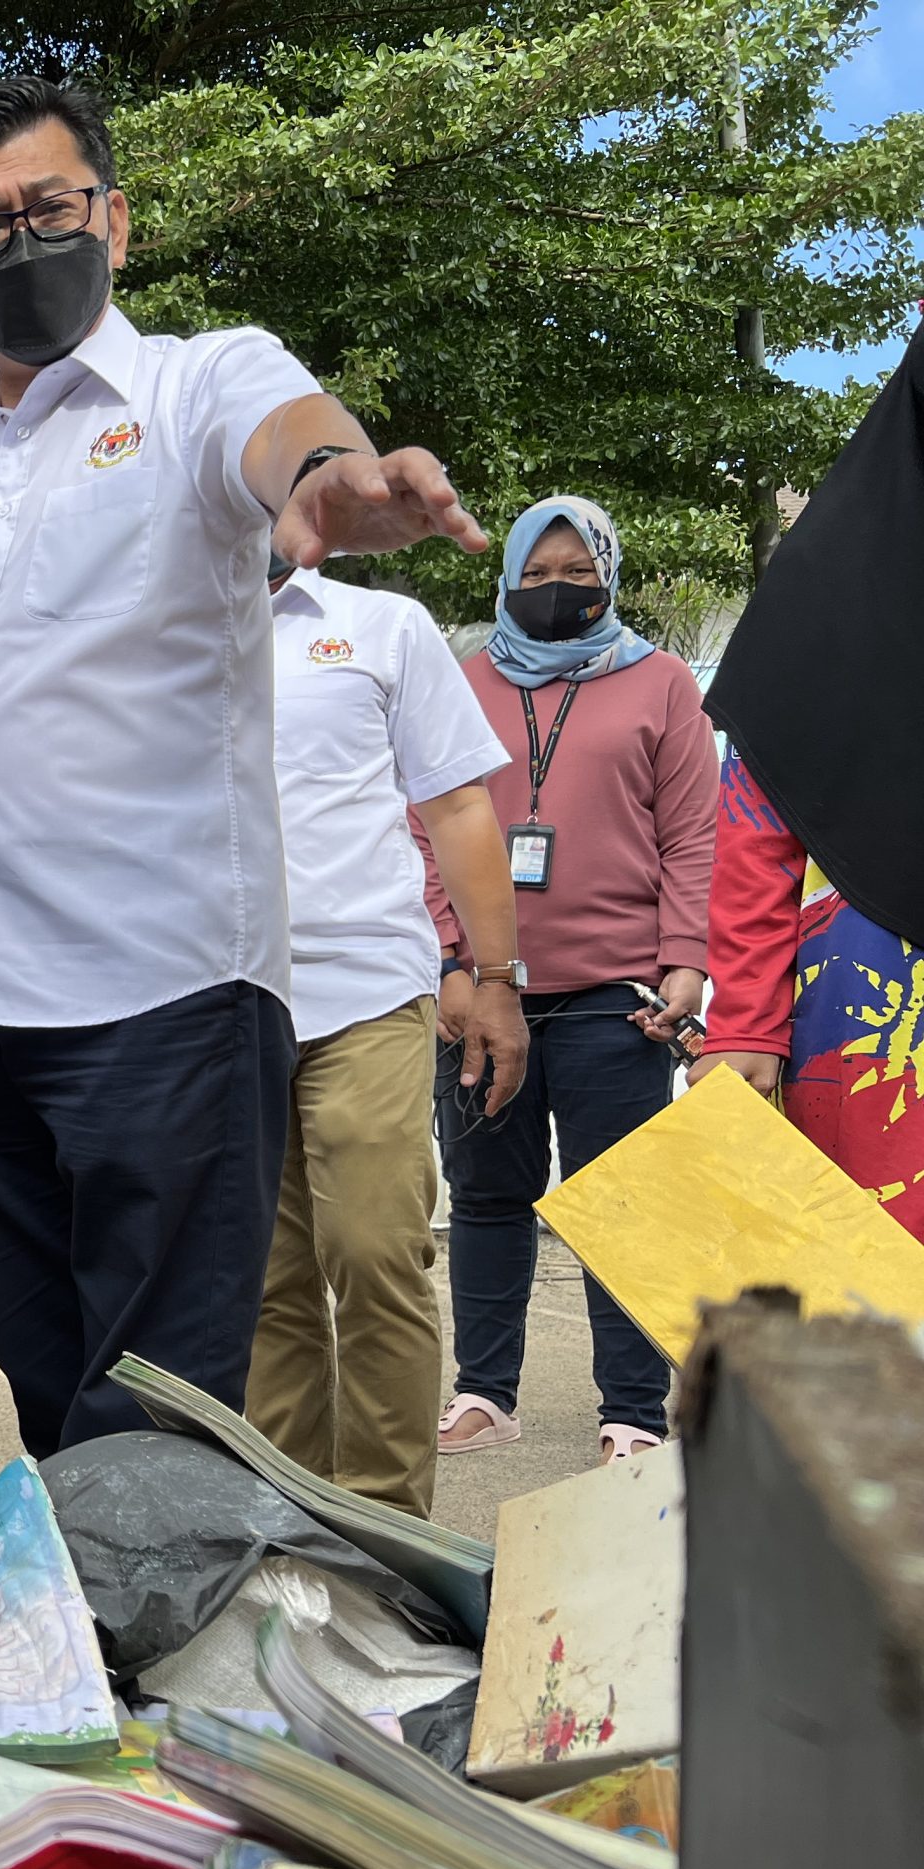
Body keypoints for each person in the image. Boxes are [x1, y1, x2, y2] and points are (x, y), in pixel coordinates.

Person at [0, 75, 487, 1460]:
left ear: (116, 222)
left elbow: (289, 439)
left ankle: (174, 1667)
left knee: (162, 1416)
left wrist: (334, 480)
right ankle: (101, 1660)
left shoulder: (202, 381)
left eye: (52, 207)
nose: (24, 243)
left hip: (163, 1003)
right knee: (52, 1401)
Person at [422, 496, 715, 1465]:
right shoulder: (460, 683)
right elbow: (424, 830)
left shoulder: (662, 683)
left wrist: (684, 958)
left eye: (576, 575)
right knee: (488, 1194)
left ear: (608, 575)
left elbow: (689, 833)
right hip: (480, 988)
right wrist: (450, 960)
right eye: (536, 577)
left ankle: (631, 1409)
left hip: (613, 992)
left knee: (619, 1200)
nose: (557, 593)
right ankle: (484, 1392)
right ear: (505, 579)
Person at [246, 560, 527, 1518]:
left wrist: (495, 980)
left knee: (372, 1251)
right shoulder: (158, 616)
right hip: (217, 996)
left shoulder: (384, 626)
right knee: (263, 1282)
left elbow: (457, 806)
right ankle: (282, 1526)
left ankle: (382, 1533)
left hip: (361, 987)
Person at [695, 326, 924, 1242]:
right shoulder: (828, 587)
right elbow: (758, 822)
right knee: (868, 1308)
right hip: (876, 1009)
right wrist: (744, 1023)